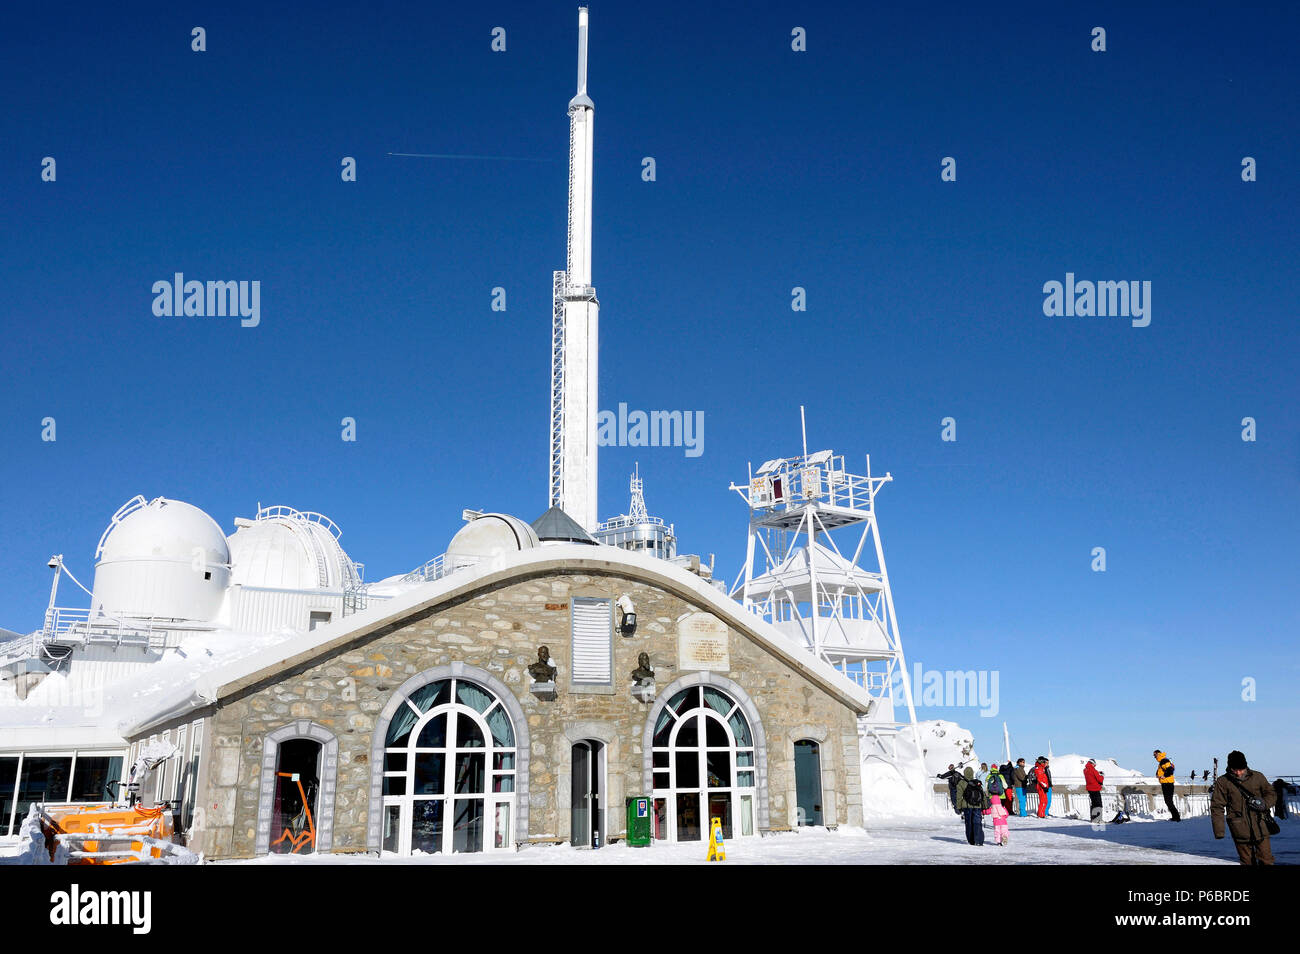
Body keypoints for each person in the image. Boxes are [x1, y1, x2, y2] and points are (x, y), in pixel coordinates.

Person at [1210, 750, 1276, 865]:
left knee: (1266, 860)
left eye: (1241, 769)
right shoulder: (1223, 782)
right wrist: (1219, 831)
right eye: (1235, 770)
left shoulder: (1258, 777)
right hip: (1239, 828)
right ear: (1230, 768)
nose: (1238, 773)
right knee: (1247, 861)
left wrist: (1264, 803)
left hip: (1261, 825)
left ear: (1246, 766)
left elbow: (1271, 793)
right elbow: (1217, 806)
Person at [956, 767, 987, 845]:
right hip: (977, 806)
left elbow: (959, 796)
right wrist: (985, 806)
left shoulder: (961, 783)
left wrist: (959, 807)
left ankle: (971, 840)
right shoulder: (977, 782)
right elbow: (982, 794)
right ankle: (979, 840)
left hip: (967, 806)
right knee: (977, 823)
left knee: (969, 823)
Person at [1153, 749, 1181, 821]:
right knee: (1168, 801)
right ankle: (1175, 817)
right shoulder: (1162, 761)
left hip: (1167, 783)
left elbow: (1170, 770)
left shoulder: (1164, 760)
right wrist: (1158, 775)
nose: (1154, 757)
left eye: (1155, 755)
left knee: (1168, 801)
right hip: (1166, 783)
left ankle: (1177, 817)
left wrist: (1164, 776)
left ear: (1158, 754)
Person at [985, 780, 1010, 845]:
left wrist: (983, 811)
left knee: (997, 831)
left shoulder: (992, 807)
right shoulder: (1002, 807)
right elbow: (1006, 814)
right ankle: (1005, 836)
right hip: (1003, 821)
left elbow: (987, 812)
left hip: (996, 822)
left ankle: (998, 841)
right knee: (1004, 830)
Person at [1084, 757, 1105, 824]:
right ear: (1092, 764)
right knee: (1098, 804)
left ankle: (1093, 819)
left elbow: (1091, 776)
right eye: (1094, 764)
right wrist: (1102, 775)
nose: (1094, 766)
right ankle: (1099, 819)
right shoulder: (1093, 770)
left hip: (1090, 789)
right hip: (1095, 789)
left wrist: (1097, 772)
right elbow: (1099, 779)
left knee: (1093, 804)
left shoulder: (1085, 770)